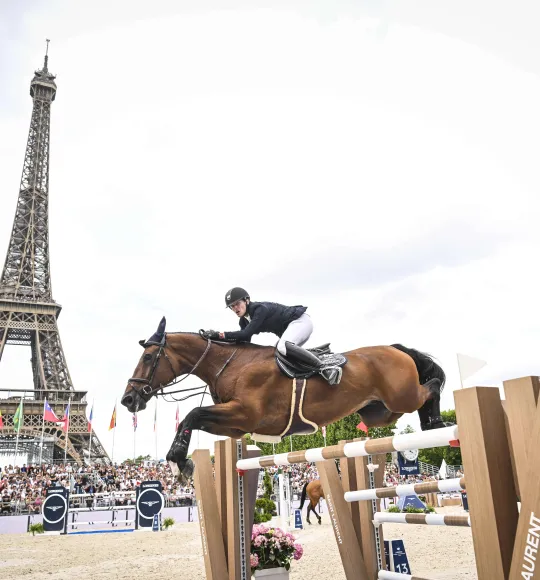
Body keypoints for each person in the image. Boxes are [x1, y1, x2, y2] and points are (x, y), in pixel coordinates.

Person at [201, 287, 323, 370]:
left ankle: (323, 367)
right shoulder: (243, 321)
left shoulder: (259, 309)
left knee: (282, 346)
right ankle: (316, 357)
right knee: (276, 353)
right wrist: (214, 342)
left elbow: (245, 334)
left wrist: (219, 334)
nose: (235, 309)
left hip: (300, 322)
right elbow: (243, 342)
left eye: (237, 304)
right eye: (232, 307)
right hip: (292, 329)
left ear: (247, 300)